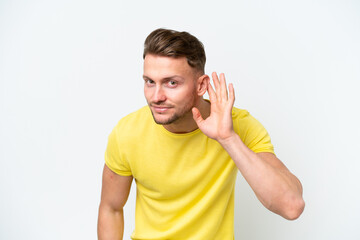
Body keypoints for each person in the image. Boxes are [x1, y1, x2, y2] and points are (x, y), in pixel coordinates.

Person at [97, 28, 305, 240]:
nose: (156, 96)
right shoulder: (128, 132)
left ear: (201, 85)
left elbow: (291, 206)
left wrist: (228, 139)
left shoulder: (239, 126)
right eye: (150, 82)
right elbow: (111, 208)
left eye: (171, 83)